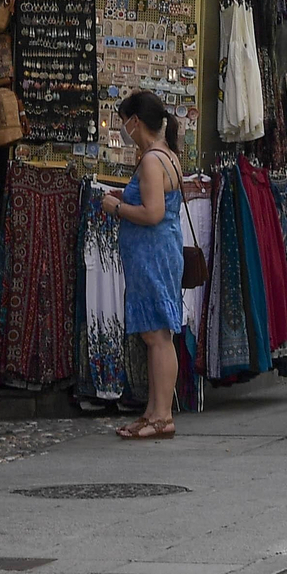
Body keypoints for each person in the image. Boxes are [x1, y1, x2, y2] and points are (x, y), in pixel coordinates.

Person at [101, 91, 185, 440]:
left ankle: (162, 415)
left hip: (153, 253)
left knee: (158, 337)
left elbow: (152, 213)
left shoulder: (152, 160)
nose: (123, 128)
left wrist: (116, 207)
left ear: (136, 121)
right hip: (155, 252)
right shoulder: (165, 156)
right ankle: (153, 411)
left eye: (124, 121)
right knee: (155, 335)